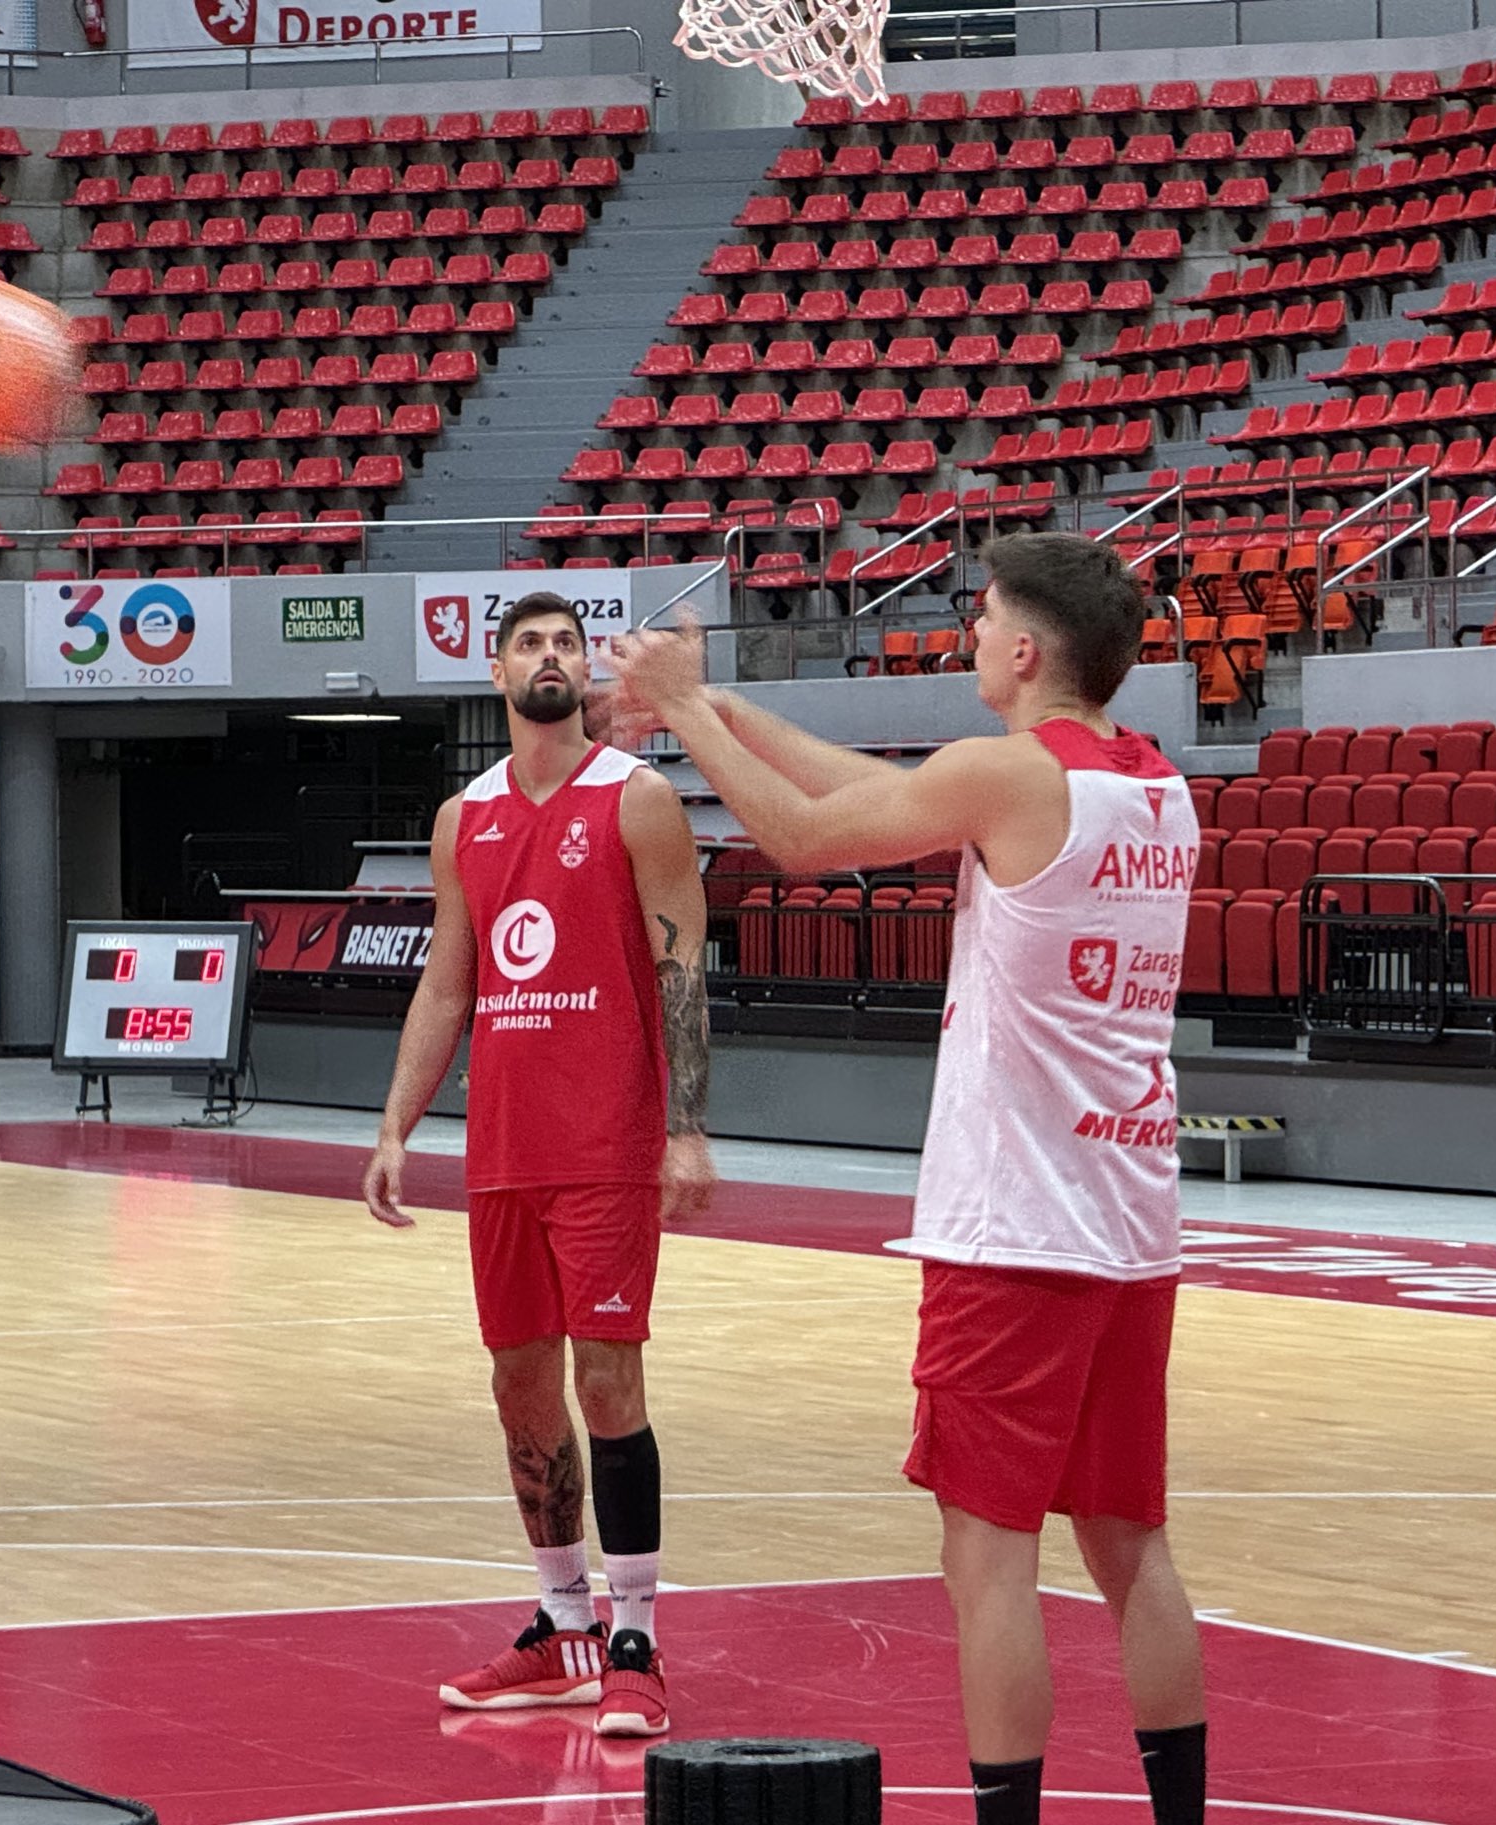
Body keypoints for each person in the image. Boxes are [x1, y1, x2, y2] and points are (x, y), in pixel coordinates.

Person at [611, 533, 1207, 1824]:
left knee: (985, 1559)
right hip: (1128, 1225)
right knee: (1128, 1544)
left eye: (980, 617)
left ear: (1024, 650)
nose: (967, 634)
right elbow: (885, 792)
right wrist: (711, 705)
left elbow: (807, 839)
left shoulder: (1006, 780)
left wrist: (672, 719)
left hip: (1014, 1230)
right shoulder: (1153, 787)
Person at [363, 590, 716, 1738]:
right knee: (520, 1392)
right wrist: (395, 1127)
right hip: (504, 1149)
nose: (551, 656)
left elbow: (680, 972)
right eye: (531, 642)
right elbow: (447, 982)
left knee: (608, 1386)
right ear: (498, 669)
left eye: (568, 642)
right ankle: (559, 1621)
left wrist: (687, 1124)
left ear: (585, 672)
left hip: (606, 1143)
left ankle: (635, 1636)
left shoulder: (641, 799)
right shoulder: (460, 816)